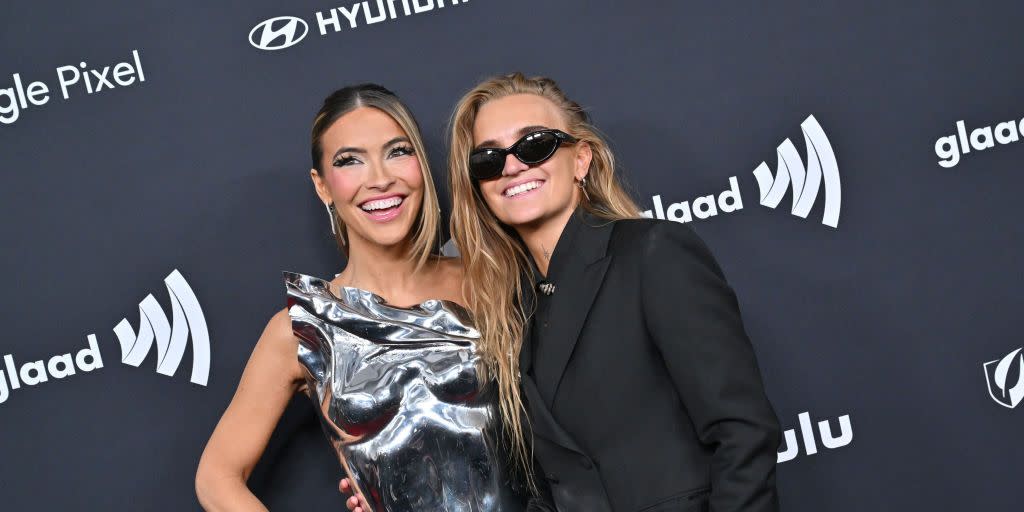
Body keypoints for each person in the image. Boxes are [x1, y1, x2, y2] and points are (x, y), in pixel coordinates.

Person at [446, 73, 782, 511]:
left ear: (581, 159)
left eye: (535, 144)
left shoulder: (652, 253)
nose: (511, 166)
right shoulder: (510, 311)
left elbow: (744, 434)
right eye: (488, 159)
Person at [195, 84, 536, 511]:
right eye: (350, 161)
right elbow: (216, 477)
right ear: (323, 186)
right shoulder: (301, 329)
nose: (379, 179)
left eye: (397, 151)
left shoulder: (492, 277)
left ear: (421, 166)